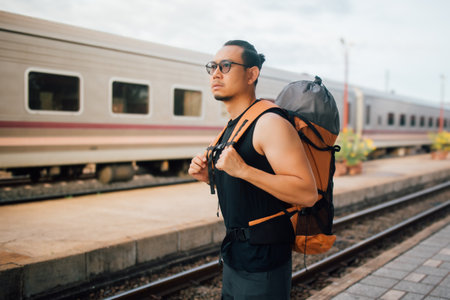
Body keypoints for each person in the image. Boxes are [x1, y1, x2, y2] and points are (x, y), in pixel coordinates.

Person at [188, 40, 318, 299]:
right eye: (212, 66)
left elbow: (307, 193)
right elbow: (246, 186)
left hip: (264, 261)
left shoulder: (269, 123)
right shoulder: (233, 126)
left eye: (225, 66)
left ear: (252, 74)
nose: (215, 73)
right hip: (235, 255)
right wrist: (209, 177)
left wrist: (244, 170)